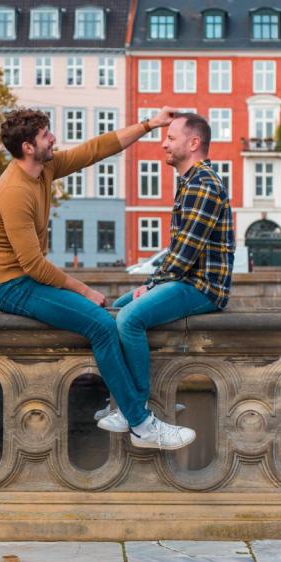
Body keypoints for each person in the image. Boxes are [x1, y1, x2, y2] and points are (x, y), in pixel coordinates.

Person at [0, 107, 196, 450]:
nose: (53, 139)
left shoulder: (44, 168)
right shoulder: (14, 191)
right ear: (27, 147)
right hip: (11, 286)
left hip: (25, 279)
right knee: (99, 324)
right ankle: (142, 426)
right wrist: (83, 290)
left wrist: (148, 124)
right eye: (45, 135)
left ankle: (126, 407)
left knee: (113, 320)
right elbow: (33, 265)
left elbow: (96, 149)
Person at [96, 112, 235, 434]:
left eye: (171, 138)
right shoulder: (190, 182)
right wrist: (153, 284)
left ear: (194, 143)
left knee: (129, 319)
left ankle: (137, 409)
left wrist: (153, 284)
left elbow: (186, 252)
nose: (163, 144)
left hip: (202, 286)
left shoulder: (203, 184)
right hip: (184, 280)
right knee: (117, 307)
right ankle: (125, 401)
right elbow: (179, 252)